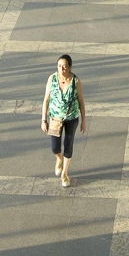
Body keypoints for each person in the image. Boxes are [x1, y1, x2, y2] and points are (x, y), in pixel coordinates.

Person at [41, 54, 86, 188]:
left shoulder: (76, 81)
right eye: (59, 66)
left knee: (68, 143)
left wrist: (83, 120)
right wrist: (43, 119)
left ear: (70, 67)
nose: (62, 69)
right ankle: (59, 159)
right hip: (55, 118)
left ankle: (65, 173)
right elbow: (46, 99)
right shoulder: (52, 78)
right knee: (55, 147)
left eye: (64, 66)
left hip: (71, 117)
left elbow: (81, 100)